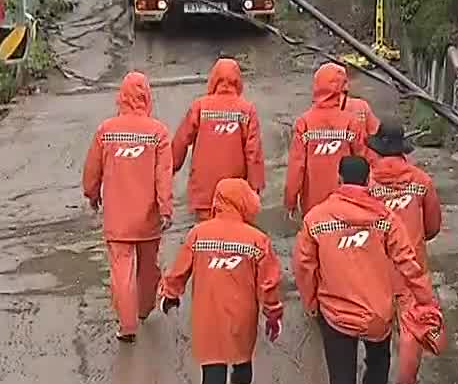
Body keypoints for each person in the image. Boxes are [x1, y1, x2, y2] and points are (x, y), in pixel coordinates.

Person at [294, 155, 439, 384]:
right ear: (367, 182)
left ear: (340, 179)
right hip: (377, 312)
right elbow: (408, 262)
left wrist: (311, 302)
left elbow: (305, 267)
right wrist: (427, 301)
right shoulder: (384, 218)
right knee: (377, 362)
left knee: (341, 374)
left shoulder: (317, 219)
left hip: (335, 313)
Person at [158, 177, 284, 384]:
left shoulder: (198, 235)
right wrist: (273, 313)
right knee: (241, 360)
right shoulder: (256, 240)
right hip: (243, 314)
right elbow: (269, 283)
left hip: (208, 312)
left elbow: (179, 271)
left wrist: (170, 295)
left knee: (212, 365)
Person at [81, 71, 174, 342]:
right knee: (148, 267)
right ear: (147, 97)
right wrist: (165, 208)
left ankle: (127, 324)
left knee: (121, 269)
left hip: (118, 217)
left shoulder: (106, 131)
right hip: (148, 217)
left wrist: (91, 194)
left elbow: (92, 169)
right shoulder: (158, 133)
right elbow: (163, 175)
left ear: (121, 97)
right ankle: (144, 308)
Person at [365, 120, 442, 384]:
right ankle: (407, 379)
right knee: (412, 322)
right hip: (411, 264)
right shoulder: (421, 182)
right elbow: (432, 225)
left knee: (378, 321)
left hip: (375, 263)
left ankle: (375, 378)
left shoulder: (368, 183)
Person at [172, 58, 264, 218]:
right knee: (233, 234)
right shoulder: (246, 110)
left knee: (205, 235)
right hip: (235, 191)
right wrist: (254, 188)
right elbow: (253, 152)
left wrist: (171, 167)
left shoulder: (200, 106)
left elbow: (181, 140)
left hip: (203, 190)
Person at [284, 63, 368, 220]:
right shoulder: (351, 122)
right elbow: (363, 162)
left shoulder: (305, 122)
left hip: (313, 205)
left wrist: (291, 201)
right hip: (347, 203)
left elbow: (296, 167)